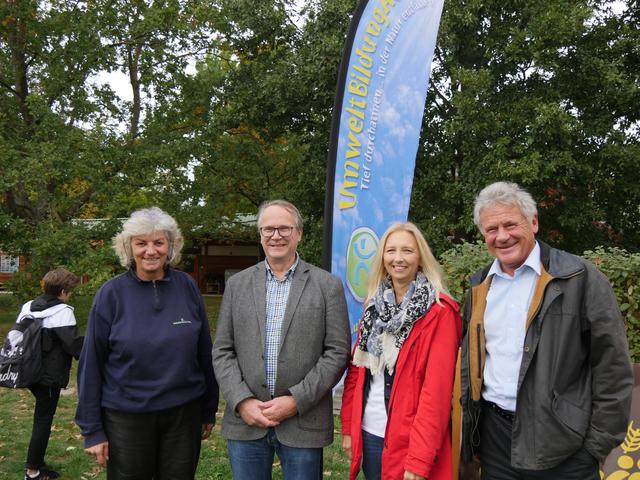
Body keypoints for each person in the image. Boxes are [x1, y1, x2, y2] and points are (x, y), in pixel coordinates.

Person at [459, 181, 633, 480]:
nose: (502, 236)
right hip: (495, 442)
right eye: (491, 229)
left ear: (534, 222)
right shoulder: (478, 287)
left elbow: (613, 369)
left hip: (564, 446)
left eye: (510, 224)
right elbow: (470, 365)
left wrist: (595, 447)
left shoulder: (580, 278)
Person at [75, 207, 219, 480]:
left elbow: (204, 352)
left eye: (158, 242)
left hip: (183, 414)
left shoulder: (187, 286)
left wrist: (208, 408)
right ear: (129, 248)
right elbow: (91, 362)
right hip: (126, 417)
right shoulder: (111, 294)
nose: (150, 251)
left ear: (171, 246)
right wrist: (92, 429)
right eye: (141, 243)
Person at [212, 199, 351, 480]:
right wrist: (242, 401)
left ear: (299, 233)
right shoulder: (237, 285)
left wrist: (296, 400)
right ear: (260, 234)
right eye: (269, 229)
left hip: (302, 420)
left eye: (284, 228)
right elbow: (223, 350)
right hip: (246, 420)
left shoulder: (327, 286)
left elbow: (337, 352)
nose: (276, 235)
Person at [340, 222, 462, 480]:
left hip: (410, 442)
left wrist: (419, 460)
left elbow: (436, 393)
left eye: (407, 250)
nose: (398, 258)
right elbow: (357, 372)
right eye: (390, 250)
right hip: (370, 433)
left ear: (420, 258)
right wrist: (349, 429)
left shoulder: (440, 312)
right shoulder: (374, 307)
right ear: (382, 257)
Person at [21, 268, 83, 480]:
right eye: (70, 290)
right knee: (43, 420)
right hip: (48, 376)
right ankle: (32, 471)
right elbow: (74, 346)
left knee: (42, 416)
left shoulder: (28, 306)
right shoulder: (63, 311)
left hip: (27, 370)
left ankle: (37, 462)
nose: (71, 294)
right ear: (64, 291)